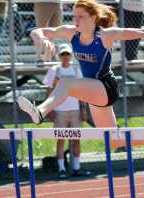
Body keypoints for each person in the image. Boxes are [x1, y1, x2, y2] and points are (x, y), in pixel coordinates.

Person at [18, 0, 144, 161]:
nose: (75, 20)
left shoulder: (105, 36)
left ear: (93, 18)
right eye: (74, 16)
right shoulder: (70, 33)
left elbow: (142, 31)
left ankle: (39, 112)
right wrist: (41, 38)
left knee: (66, 82)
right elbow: (37, 30)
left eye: (81, 16)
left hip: (106, 87)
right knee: (113, 140)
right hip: (92, 91)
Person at [43, 43, 89, 178]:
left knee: (76, 140)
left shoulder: (76, 70)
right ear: (59, 56)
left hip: (75, 110)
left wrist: (83, 108)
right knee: (60, 140)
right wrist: (49, 108)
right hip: (59, 110)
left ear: (70, 56)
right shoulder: (54, 70)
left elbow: (82, 91)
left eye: (67, 54)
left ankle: (76, 168)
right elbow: (49, 90)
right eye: (63, 54)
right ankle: (62, 169)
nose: (65, 57)